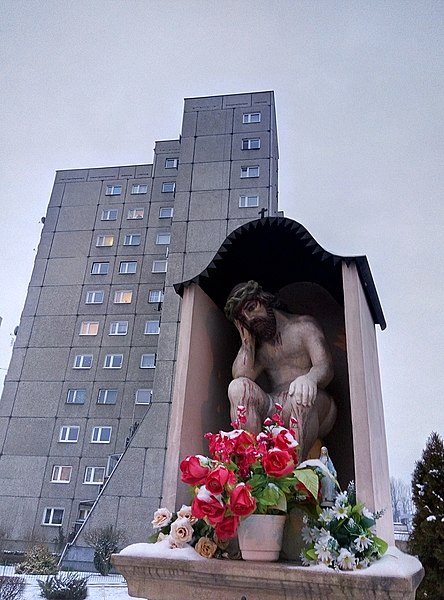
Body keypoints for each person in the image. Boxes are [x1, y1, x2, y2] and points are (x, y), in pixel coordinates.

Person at [224, 281, 337, 461]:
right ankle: (252, 467)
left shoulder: (303, 326)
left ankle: (293, 475)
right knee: (238, 387)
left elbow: (325, 367)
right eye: (243, 318)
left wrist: (309, 379)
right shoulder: (259, 348)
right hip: (276, 405)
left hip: (313, 400)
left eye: (251, 308)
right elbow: (241, 376)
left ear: (264, 300)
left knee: (298, 395)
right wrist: (247, 343)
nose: (250, 319)